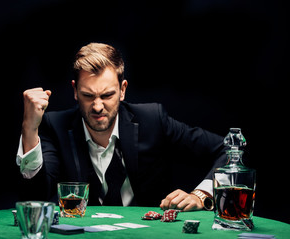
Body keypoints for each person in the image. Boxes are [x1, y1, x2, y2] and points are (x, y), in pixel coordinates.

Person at [16, 42, 227, 211]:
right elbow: (35, 197)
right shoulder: (56, 126)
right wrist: (29, 129)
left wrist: (201, 195)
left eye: (107, 95)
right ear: (75, 91)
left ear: (123, 89)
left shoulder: (153, 120)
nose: (97, 106)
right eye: (88, 96)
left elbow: (228, 149)